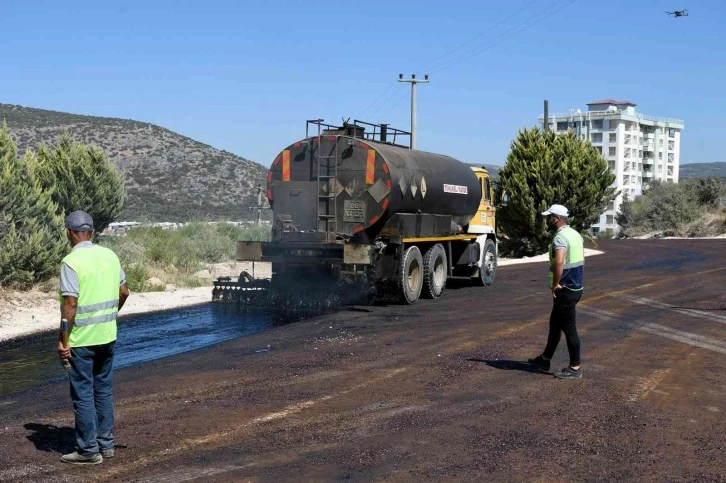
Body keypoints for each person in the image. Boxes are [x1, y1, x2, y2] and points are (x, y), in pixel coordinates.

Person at [57, 211, 130, 464]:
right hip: (107, 336)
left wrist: (63, 340)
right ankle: (106, 445)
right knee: (103, 391)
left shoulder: (70, 262)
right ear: (92, 232)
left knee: (83, 394)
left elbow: (70, 304)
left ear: (69, 233)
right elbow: (124, 291)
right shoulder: (110, 256)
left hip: (82, 340)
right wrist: (110, 315)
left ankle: (88, 450)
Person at [528, 204, 585, 379]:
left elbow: (559, 262)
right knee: (555, 325)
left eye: (550, 216)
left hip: (565, 288)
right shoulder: (575, 234)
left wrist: (555, 284)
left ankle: (575, 368)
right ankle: (545, 359)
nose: (547, 219)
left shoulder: (560, 237)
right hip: (575, 286)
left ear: (557, 218)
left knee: (569, 329)